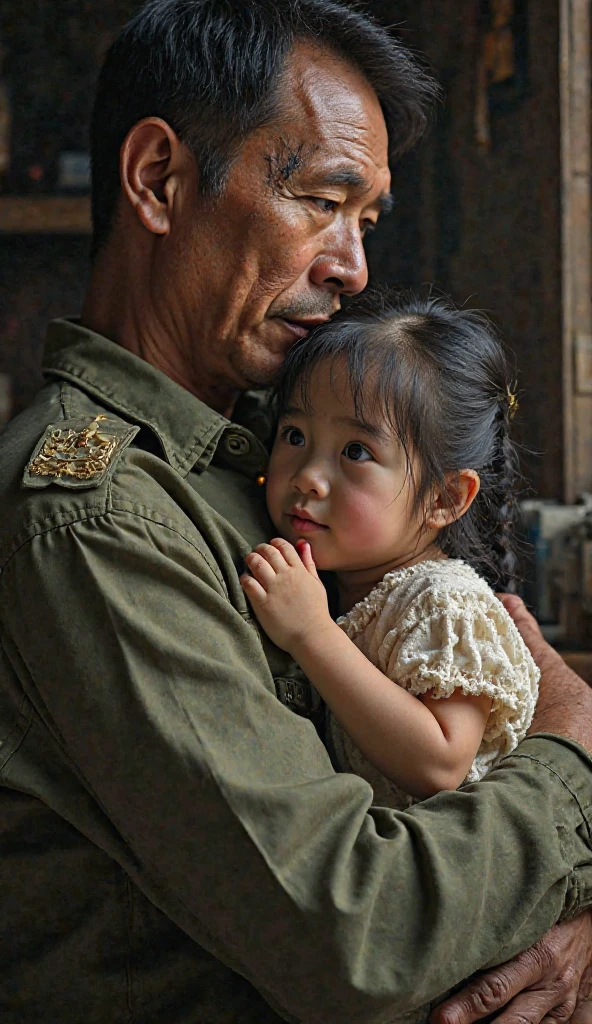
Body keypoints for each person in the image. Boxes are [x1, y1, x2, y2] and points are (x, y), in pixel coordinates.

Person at [0, 2, 592, 1022]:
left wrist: (570, 930)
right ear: (158, 179)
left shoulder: (265, 459)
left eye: (365, 220)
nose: (351, 267)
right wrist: (574, 755)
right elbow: (352, 932)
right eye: (321, 200)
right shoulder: (96, 514)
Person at [241, 294, 540, 814]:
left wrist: (311, 634)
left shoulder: (442, 602)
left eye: (356, 451)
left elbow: (440, 764)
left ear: (443, 499)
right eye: (294, 435)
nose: (308, 476)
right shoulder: (356, 589)